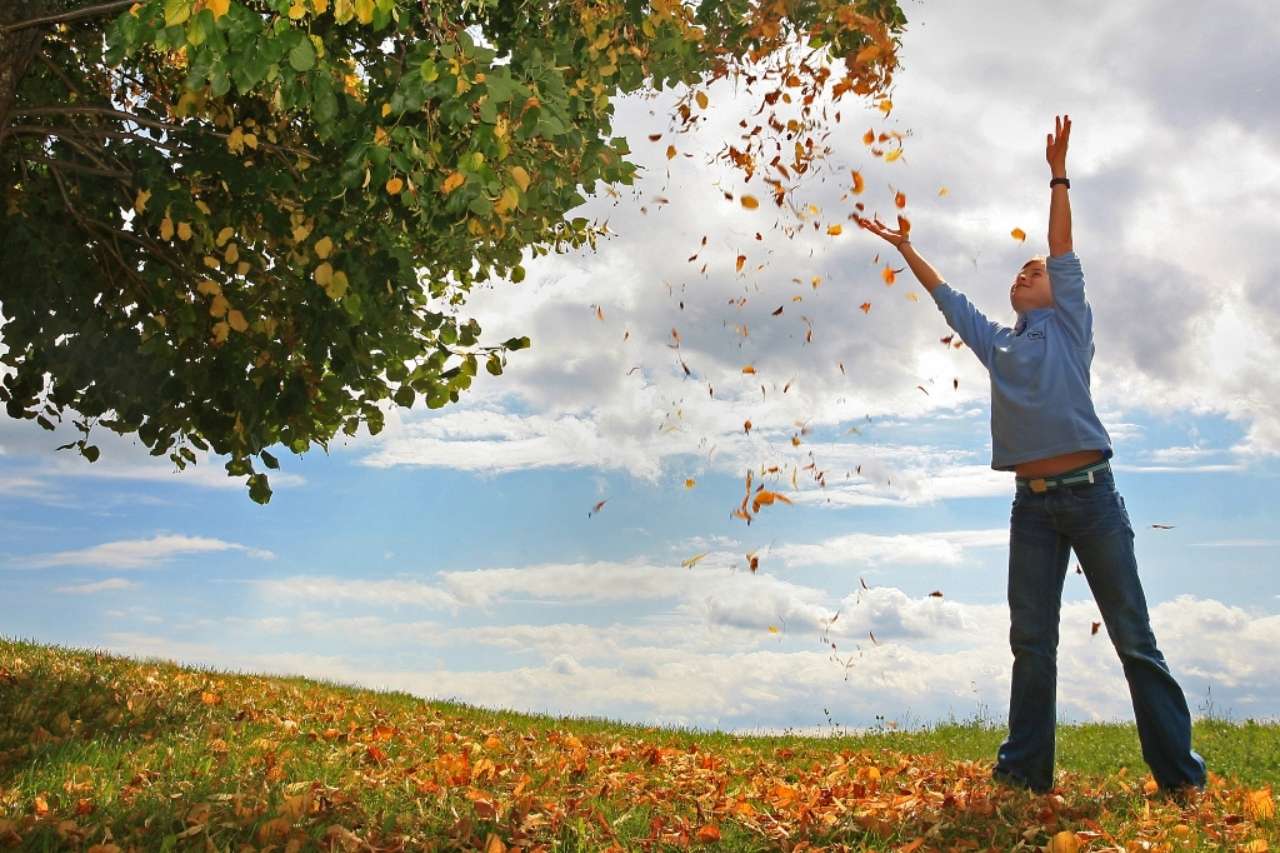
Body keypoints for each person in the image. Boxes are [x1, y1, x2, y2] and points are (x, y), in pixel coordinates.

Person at [854, 114, 1207, 798]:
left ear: (1060, 289)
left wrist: (1058, 173)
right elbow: (948, 300)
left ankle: (1180, 776)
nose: (1028, 269)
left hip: (1093, 497)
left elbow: (1062, 243)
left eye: (1036, 270)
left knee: (1134, 639)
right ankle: (1023, 775)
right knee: (1031, 643)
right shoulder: (1001, 346)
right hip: (1033, 511)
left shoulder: (1070, 326)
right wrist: (905, 247)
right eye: (1022, 269)